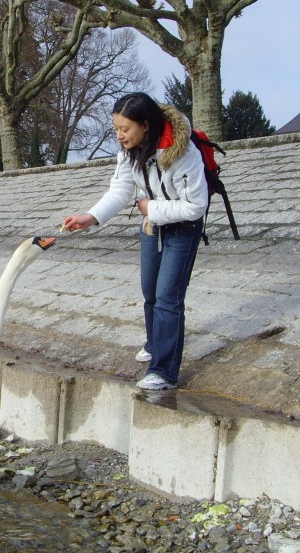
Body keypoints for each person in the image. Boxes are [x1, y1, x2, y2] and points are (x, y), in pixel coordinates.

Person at [61, 92, 208, 391]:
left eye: (124, 129)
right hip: (152, 225)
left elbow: (196, 206)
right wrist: (89, 217)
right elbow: (119, 190)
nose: (119, 135)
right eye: (116, 128)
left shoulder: (185, 154)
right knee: (150, 292)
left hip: (183, 227)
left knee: (168, 297)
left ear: (145, 124)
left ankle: (164, 372)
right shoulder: (128, 152)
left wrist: (149, 208)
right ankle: (155, 343)